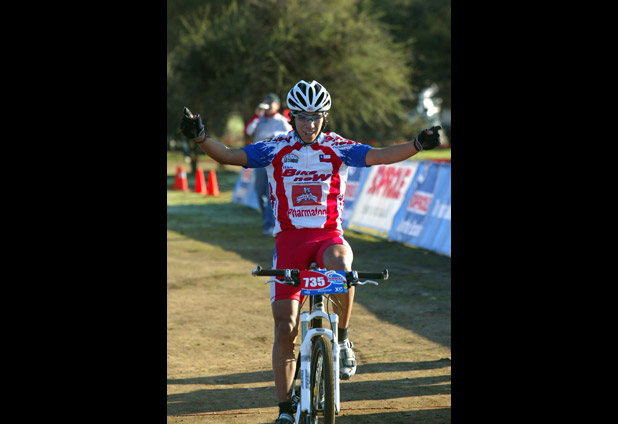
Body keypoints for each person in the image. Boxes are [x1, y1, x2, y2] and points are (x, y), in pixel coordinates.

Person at [180, 80, 441, 424]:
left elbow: (379, 156)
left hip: (327, 237)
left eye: (316, 116)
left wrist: (417, 144)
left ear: (325, 117)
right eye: (302, 117)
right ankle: (285, 409)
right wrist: (201, 138)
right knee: (285, 327)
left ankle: (342, 340)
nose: (309, 123)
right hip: (289, 243)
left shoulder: (337, 147)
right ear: (292, 117)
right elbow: (230, 155)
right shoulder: (275, 148)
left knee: (342, 262)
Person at [244, 93, 293, 236]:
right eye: (266, 102)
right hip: (259, 160)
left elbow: (290, 136)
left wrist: (275, 135)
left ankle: (269, 224)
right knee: (259, 192)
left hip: (274, 162)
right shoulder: (259, 119)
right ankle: (267, 219)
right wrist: (256, 116)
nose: (268, 105)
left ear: (277, 105)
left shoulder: (282, 120)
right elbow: (248, 131)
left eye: (271, 103)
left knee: (270, 193)